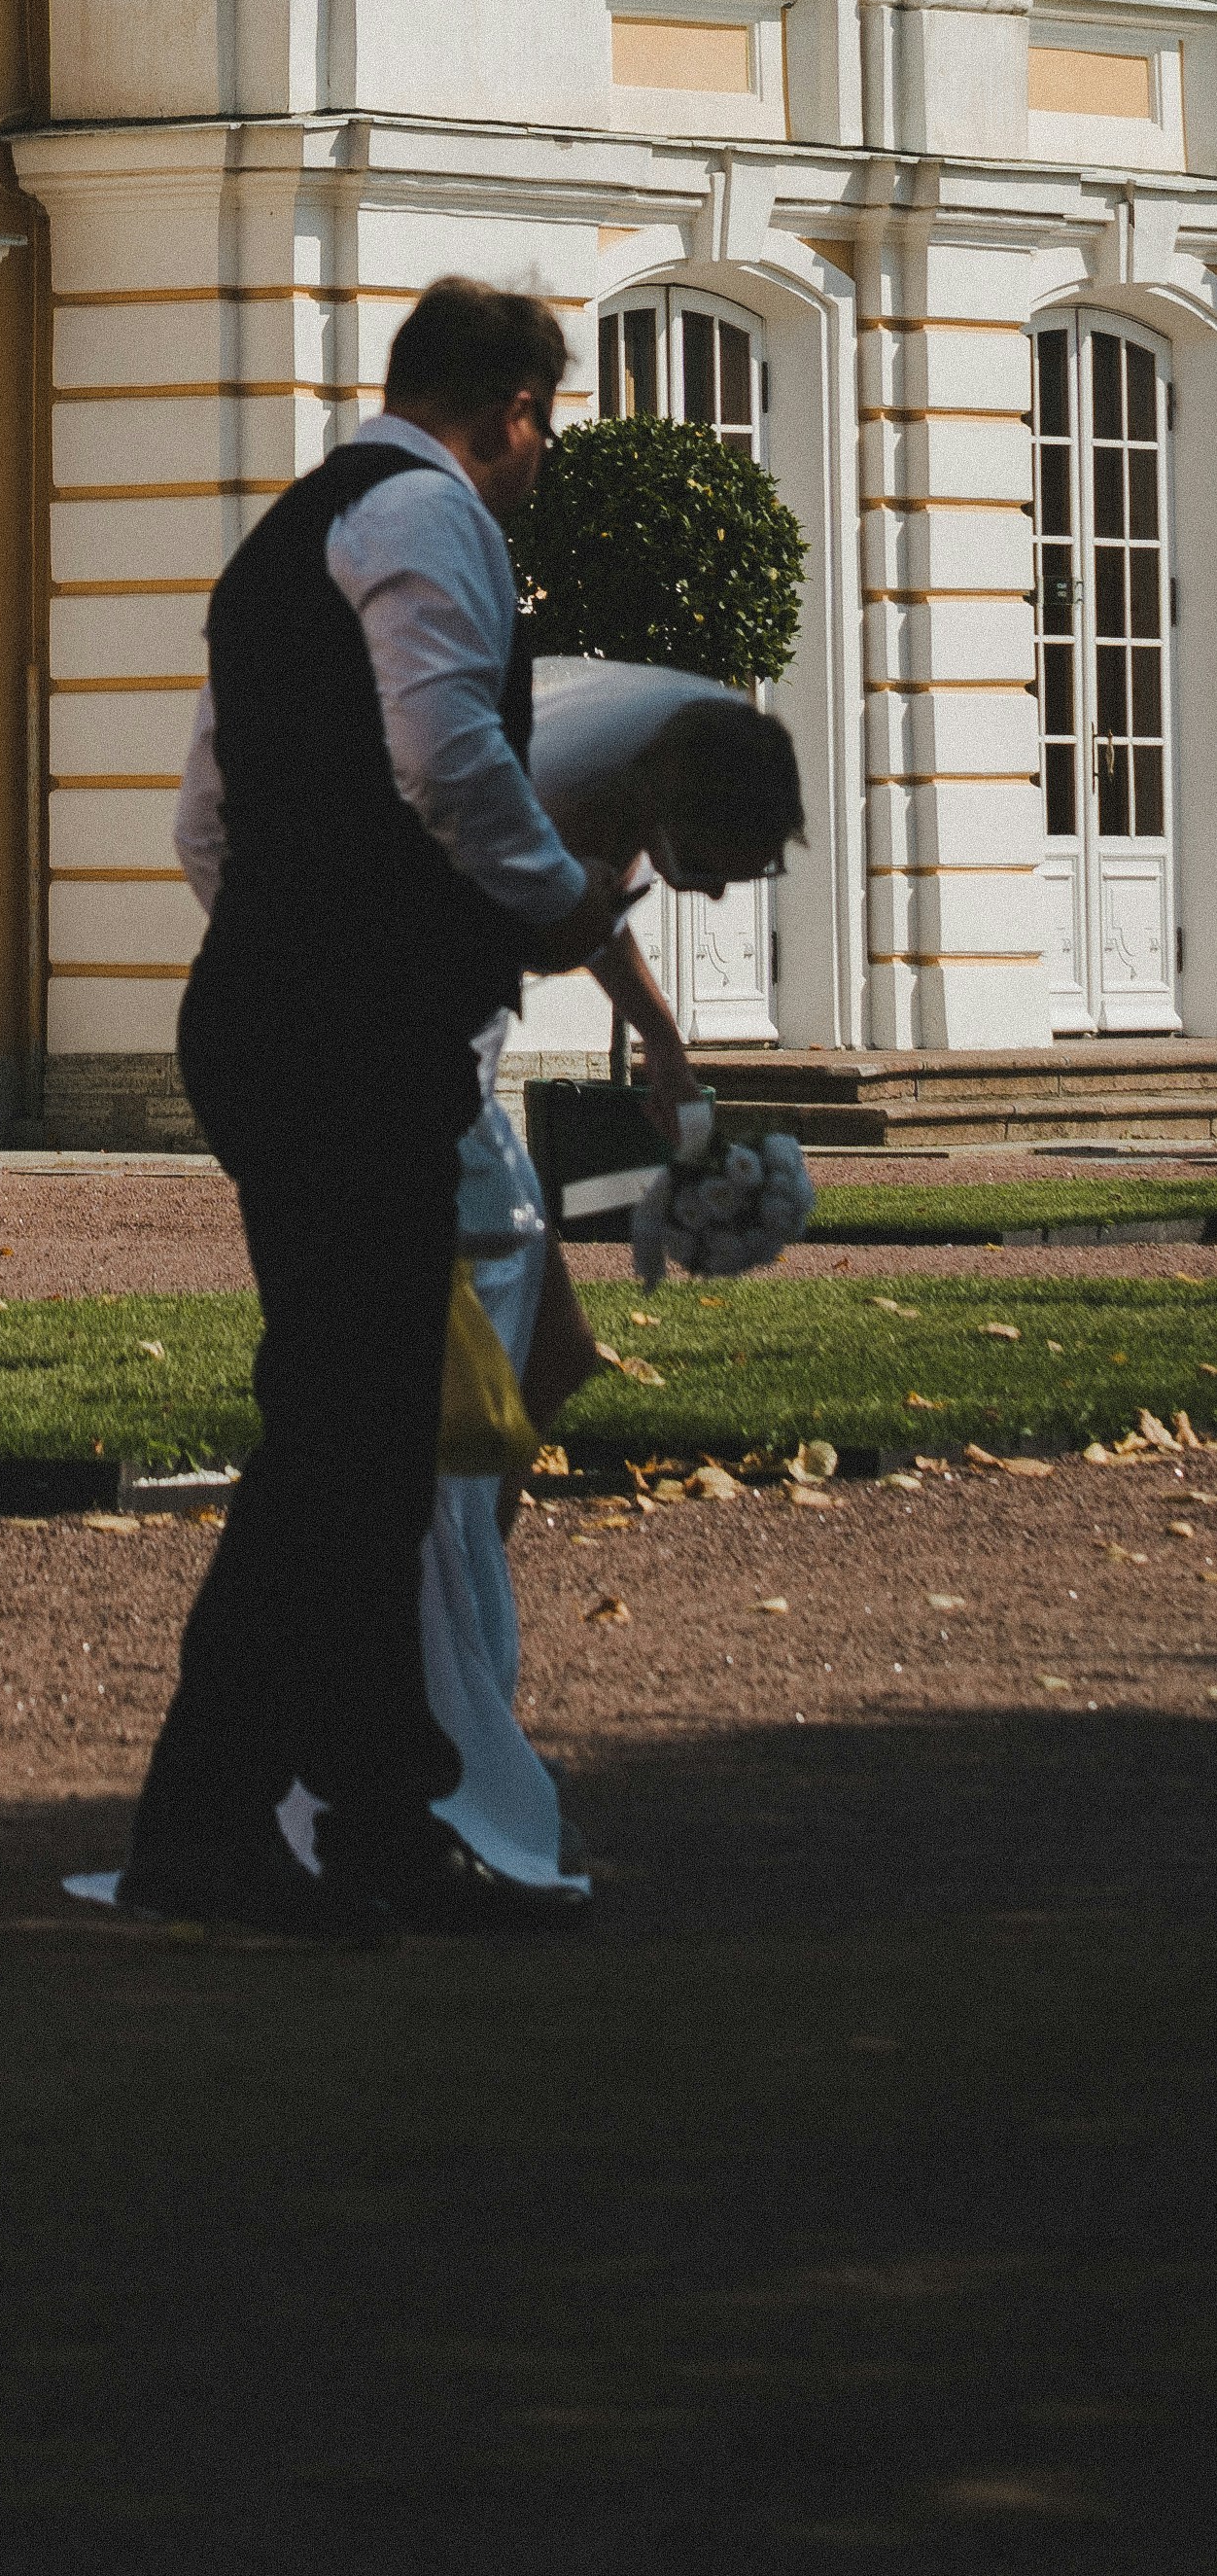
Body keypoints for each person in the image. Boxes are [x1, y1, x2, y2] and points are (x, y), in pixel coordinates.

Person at [114, 275, 638, 1949]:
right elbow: (444, 758)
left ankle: (368, 1815)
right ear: (510, 409)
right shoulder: (431, 512)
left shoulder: (289, 529)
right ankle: (229, 1821)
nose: (540, 453)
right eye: (542, 421)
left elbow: (205, 815)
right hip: (349, 1030)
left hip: (273, 1011)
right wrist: (550, 903)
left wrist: (288, 930)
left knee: (352, 1437)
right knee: (347, 1443)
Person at [395, 683, 807, 1903]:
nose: (728, 896)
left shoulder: (639, 766)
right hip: (423, 1083)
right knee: (463, 1411)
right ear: (682, 816)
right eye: (726, 868)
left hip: (453, 1064)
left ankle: (469, 1631)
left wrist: (665, 1039)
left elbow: (583, 909)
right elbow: (550, 905)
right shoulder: (560, 796)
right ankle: (451, 1671)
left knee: (558, 1356)